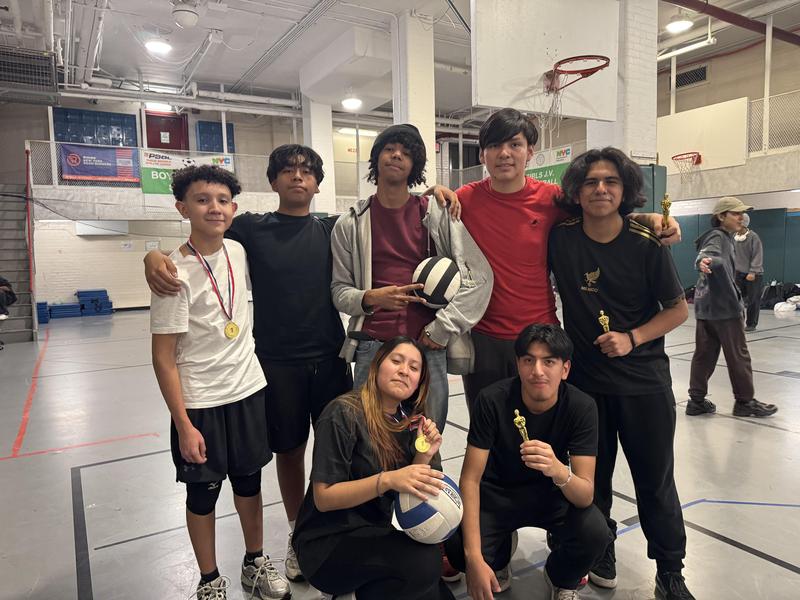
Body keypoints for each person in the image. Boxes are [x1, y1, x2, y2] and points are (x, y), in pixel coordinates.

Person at [145, 145, 353, 583]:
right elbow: (199, 238)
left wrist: (434, 194)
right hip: (275, 366)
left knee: (337, 452)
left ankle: (331, 533)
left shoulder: (334, 228)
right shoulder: (250, 231)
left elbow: (387, 214)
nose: (298, 177)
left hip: (332, 359)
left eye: (307, 171)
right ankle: (298, 537)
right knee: (290, 452)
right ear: (273, 182)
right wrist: (152, 257)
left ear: (318, 183)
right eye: (288, 171)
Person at [425, 108, 682, 414]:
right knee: (489, 431)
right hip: (484, 338)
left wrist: (647, 217)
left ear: (530, 152)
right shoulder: (463, 200)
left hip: (541, 334)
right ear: (482, 155)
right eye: (494, 146)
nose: (504, 154)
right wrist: (435, 192)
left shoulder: (553, 200)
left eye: (515, 145)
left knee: (544, 432)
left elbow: (601, 212)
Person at [549, 147, 693, 600]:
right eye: (591, 182)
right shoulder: (561, 238)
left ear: (625, 189)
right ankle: (600, 544)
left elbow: (678, 309)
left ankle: (670, 570)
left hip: (644, 384)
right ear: (577, 190)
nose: (600, 189)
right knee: (594, 482)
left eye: (610, 181)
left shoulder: (645, 242)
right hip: (587, 388)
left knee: (655, 481)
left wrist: (632, 338)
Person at [150, 165, 290, 600]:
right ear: (182, 207)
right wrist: (184, 422)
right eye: (202, 199)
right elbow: (163, 357)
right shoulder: (172, 273)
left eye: (223, 200)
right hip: (201, 404)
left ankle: (255, 562)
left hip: (247, 391)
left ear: (234, 209)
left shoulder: (239, 251)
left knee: (249, 485)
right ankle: (209, 580)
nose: (214, 207)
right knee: (203, 495)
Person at [331, 123, 493, 432]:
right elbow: (338, 290)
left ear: (415, 165)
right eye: (389, 149)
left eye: (406, 153)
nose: (396, 155)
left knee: (426, 445)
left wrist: (441, 330)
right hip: (372, 346)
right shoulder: (350, 224)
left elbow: (479, 277)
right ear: (376, 157)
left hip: (427, 345)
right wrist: (370, 298)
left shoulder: (437, 213)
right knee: (369, 444)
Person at [445, 324, 611, 600]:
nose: (537, 371)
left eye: (549, 362)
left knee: (595, 532)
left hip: (553, 496)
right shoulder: (491, 400)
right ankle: (497, 558)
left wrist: (558, 470)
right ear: (518, 365)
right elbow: (470, 479)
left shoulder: (581, 407)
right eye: (528, 360)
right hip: (498, 495)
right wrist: (474, 558)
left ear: (565, 369)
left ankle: (561, 577)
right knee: (457, 545)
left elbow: (585, 495)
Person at [292, 336, 456, 600]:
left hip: (374, 532)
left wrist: (424, 456)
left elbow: (412, 496)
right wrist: (388, 480)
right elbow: (324, 498)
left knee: (439, 569)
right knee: (423, 563)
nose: (405, 370)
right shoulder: (342, 413)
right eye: (397, 361)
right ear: (377, 366)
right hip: (326, 543)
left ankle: (363, 590)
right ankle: (349, 590)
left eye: (414, 368)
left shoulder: (412, 420)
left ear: (419, 382)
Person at [687, 196, 778, 418]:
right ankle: (745, 402)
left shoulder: (720, 237)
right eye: (736, 213)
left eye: (742, 213)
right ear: (721, 216)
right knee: (739, 355)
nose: (741, 217)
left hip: (705, 307)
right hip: (725, 308)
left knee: (704, 355)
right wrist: (703, 261)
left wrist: (702, 261)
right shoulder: (719, 237)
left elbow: (705, 255)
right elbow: (708, 256)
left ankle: (696, 401)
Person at [733, 212, 764, 332]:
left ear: (744, 224)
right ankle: (738, 321)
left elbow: (757, 255)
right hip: (739, 272)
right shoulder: (734, 238)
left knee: (753, 300)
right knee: (737, 299)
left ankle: (751, 324)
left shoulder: (753, 237)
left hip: (754, 274)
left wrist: (753, 271)